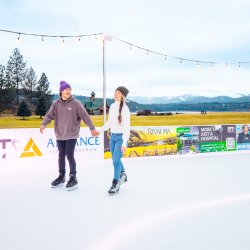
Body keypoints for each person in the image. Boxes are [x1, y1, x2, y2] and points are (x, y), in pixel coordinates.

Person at [40, 80, 98, 191]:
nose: (68, 91)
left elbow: (85, 116)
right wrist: (43, 124)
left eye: (70, 89)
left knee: (69, 154)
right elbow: (49, 115)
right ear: (61, 91)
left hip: (72, 133)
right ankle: (61, 176)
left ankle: (73, 177)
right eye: (66, 89)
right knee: (61, 155)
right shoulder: (56, 103)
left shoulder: (76, 103)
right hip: (60, 134)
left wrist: (92, 128)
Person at [99, 86, 130, 194]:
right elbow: (109, 123)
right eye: (115, 92)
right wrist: (100, 130)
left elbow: (126, 127)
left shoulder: (125, 110)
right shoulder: (112, 106)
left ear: (123, 96)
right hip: (112, 137)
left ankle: (115, 183)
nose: (116, 94)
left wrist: (124, 143)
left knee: (115, 161)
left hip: (121, 138)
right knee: (115, 158)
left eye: (118, 93)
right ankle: (123, 174)